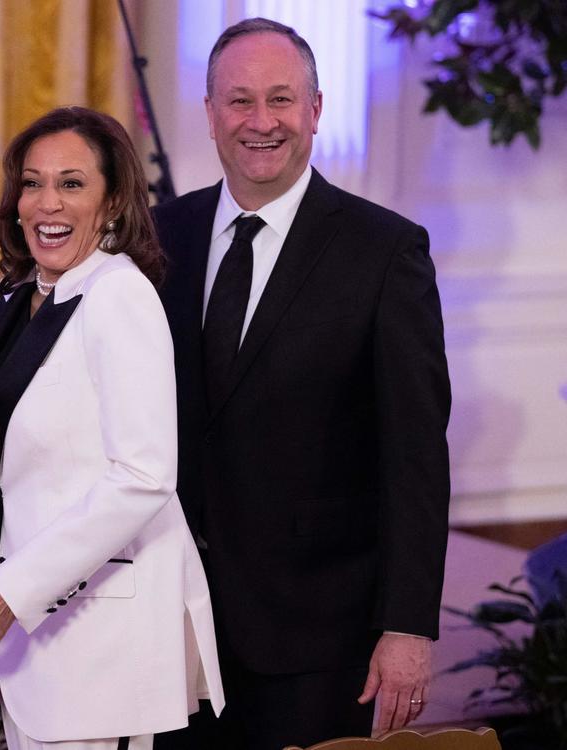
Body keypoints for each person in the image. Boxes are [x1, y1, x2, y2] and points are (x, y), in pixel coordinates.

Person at [152, 18, 452, 750]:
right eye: (240, 101)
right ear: (211, 112)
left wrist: (407, 625)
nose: (261, 122)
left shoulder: (386, 252)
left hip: (319, 637)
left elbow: (415, 458)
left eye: (281, 100)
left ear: (315, 110)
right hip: (169, 624)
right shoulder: (161, 236)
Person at [0, 106, 224, 750]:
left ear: (112, 204)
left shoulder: (119, 296)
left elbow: (142, 476)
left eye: (72, 183)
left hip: (101, 640)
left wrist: (8, 591)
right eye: (32, 182)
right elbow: (48, 451)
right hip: (47, 643)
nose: (47, 201)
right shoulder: (31, 291)